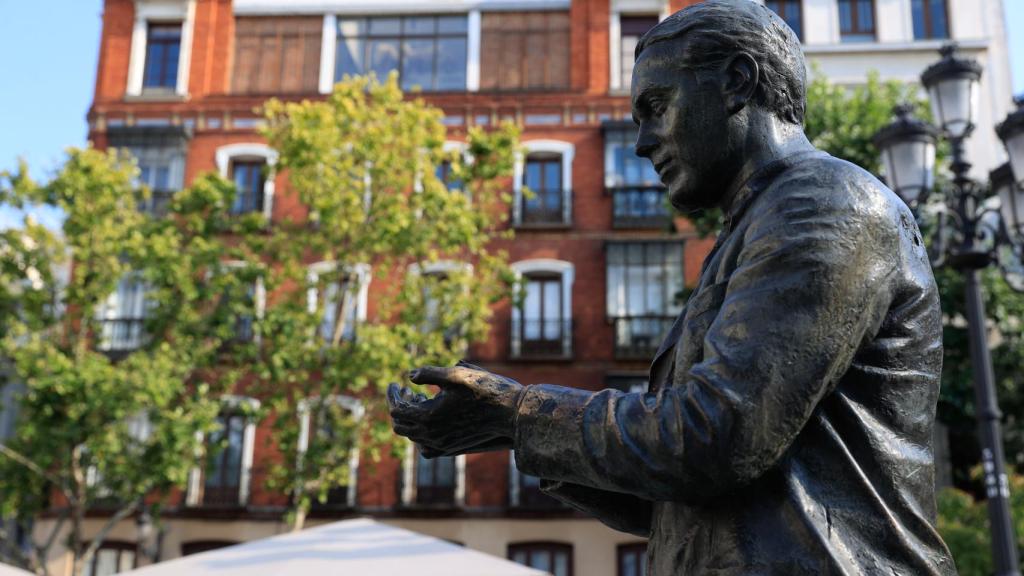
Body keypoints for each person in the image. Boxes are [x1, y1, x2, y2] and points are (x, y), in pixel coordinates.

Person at [389, 1, 957, 573]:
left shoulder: (827, 205)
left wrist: (520, 414)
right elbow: (679, 498)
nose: (643, 142)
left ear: (736, 82)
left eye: (656, 107)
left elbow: (718, 436)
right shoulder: (755, 228)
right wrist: (514, 429)